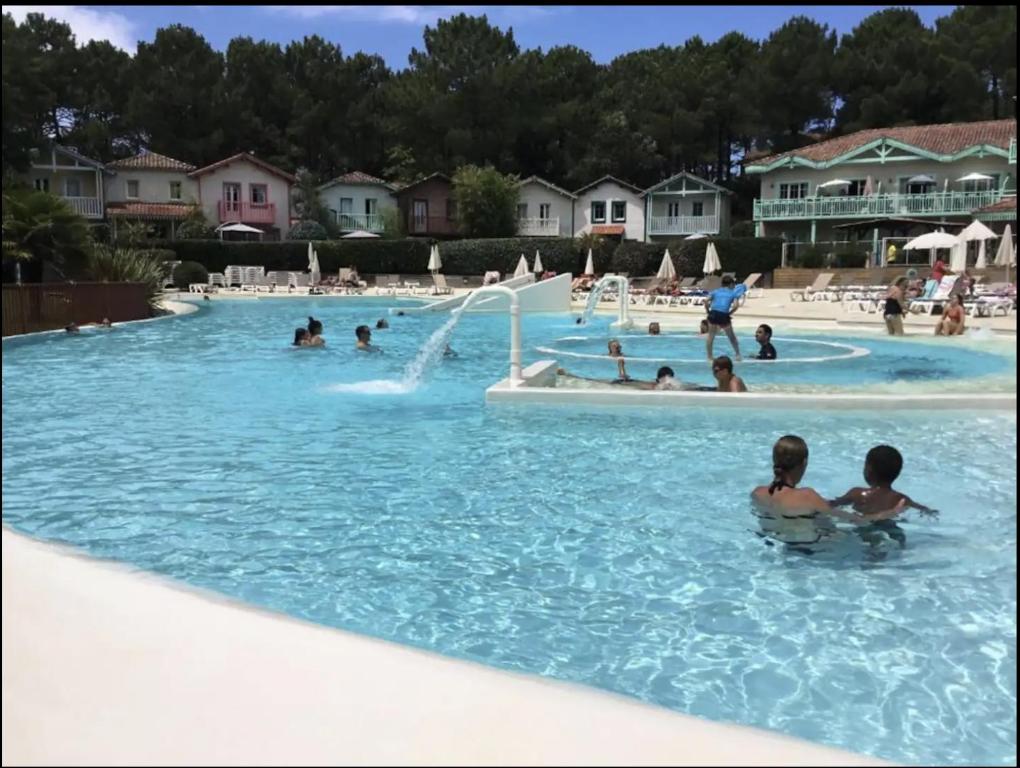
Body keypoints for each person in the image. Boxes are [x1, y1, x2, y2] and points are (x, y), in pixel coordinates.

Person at [751, 436, 900, 552]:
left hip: (776, 543)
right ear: (804, 463)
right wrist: (888, 514)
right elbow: (856, 520)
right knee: (871, 536)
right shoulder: (808, 496)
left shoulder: (757, 493)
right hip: (809, 549)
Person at [829, 445, 937, 548]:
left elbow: (833, 505)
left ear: (868, 469)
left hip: (864, 526)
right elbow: (924, 510)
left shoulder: (857, 493)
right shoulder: (901, 499)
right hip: (890, 527)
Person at [703, 275, 746, 361]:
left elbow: (706, 301)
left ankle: (709, 357)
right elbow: (736, 306)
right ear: (730, 284)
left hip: (713, 313)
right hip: (723, 315)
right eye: (733, 284)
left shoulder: (715, 291)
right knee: (731, 336)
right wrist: (729, 313)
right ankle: (737, 355)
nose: (734, 286)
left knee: (711, 336)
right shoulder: (733, 293)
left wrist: (708, 311)